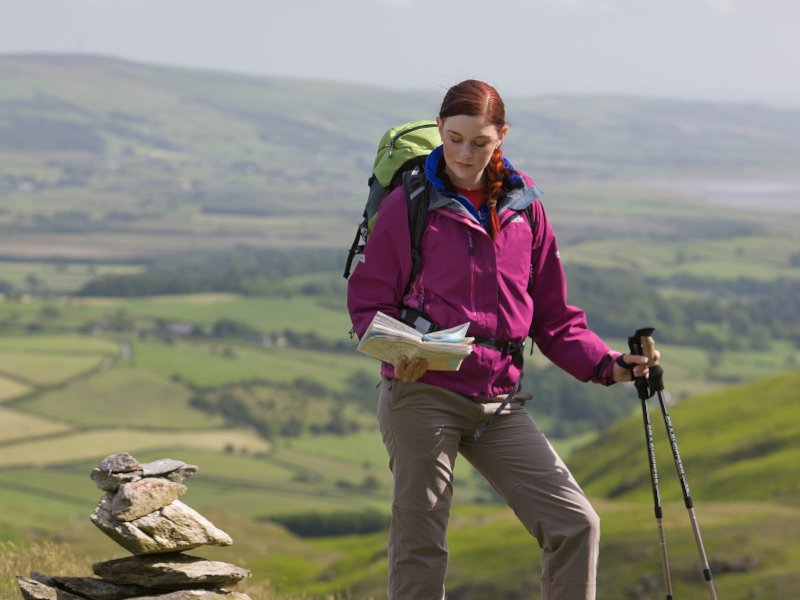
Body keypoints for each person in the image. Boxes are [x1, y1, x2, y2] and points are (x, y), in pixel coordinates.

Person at [347, 79, 657, 600]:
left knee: (576, 525)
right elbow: (368, 302)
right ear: (440, 130)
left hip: (500, 401)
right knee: (421, 547)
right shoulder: (409, 205)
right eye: (454, 139)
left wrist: (607, 365)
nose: (464, 154)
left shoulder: (524, 205)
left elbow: (554, 317)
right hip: (422, 395)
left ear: (502, 137)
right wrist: (401, 355)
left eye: (480, 141)